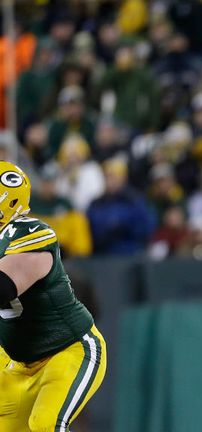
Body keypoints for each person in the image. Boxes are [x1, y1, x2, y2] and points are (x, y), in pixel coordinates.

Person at [0, 161, 106, 431]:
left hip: (67, 349)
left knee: (46, 425)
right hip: (19, 361)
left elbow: (3, 287)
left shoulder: (31, 232)